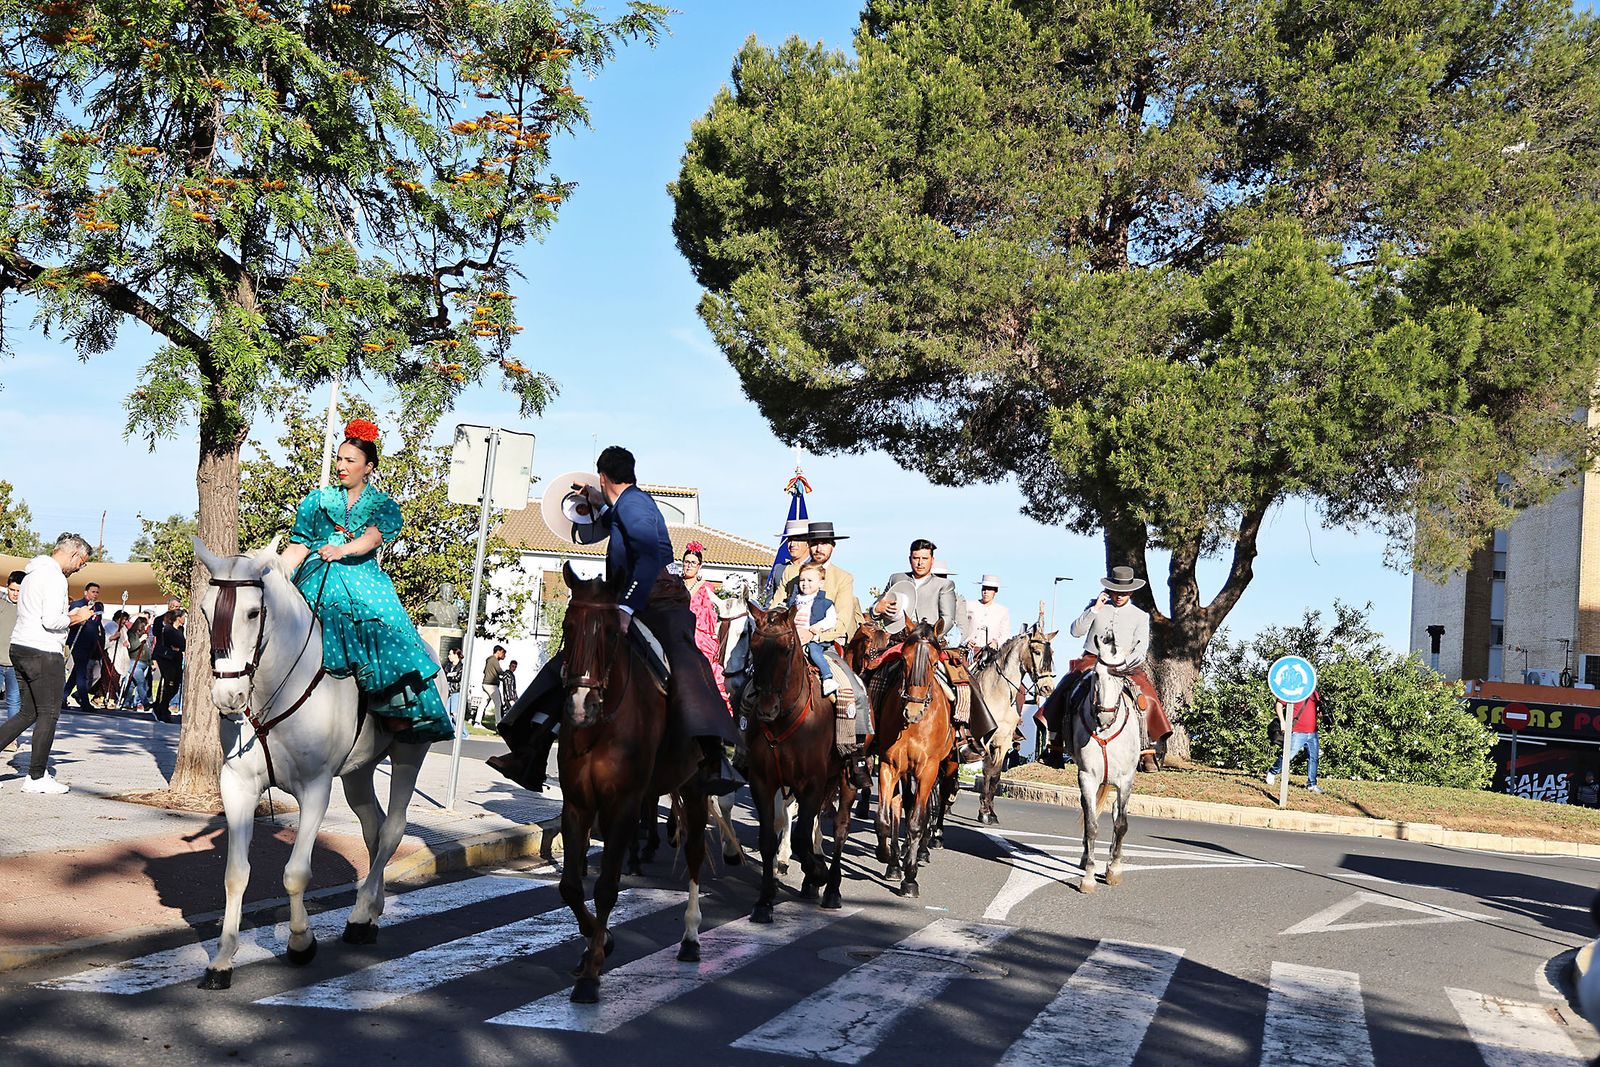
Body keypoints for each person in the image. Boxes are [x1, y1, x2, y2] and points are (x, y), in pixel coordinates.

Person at [491, 445, 740, 795]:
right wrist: (595, 498)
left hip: (658, 598)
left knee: (685, 660)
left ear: (603, 475)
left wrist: (626, 609)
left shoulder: (635, 505)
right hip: (626, 594)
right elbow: (607, 521)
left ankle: (712, 756)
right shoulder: (627, 503)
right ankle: (532, 744)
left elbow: (649, 559)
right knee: (574, 659)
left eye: (600, 482)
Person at [277, 418, 453, 744]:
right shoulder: (317, 501)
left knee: (388, 628)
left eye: (350, 461)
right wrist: (275, 573)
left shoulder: (382, 505)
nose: (341, 466)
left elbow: (372, 539)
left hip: (361, 577)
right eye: (339, 459)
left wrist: (341, 550)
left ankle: (393, 704)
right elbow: (300, 545)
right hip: (316, 574)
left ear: (368, 466)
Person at [1042, 565, 1172, 770]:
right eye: (1115, 590)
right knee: (1066, 688)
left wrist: (1124, 665)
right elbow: (1075, 631)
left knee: (1145, 693)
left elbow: (1141, 649)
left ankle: (1148, 749)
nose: (1119, 595)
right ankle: (1055, 747)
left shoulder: (1140, 616)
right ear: (1109, 589)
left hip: (1125, 664)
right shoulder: (1095, 606)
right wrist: (1095, 609)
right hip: (1091, 660)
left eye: (1124, 592)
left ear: (1131, 591)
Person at [0, 533, 97, 792]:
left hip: (20, 646)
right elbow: (51, 621)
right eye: (82, 562)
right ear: (74, 554)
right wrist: (78, 617)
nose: (79, 568)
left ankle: (36, 774)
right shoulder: (54, 578)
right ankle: (36, 777)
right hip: (43, 651)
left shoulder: (31, 574)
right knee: (49, 713)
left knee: (27, 712)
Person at [777, 522, 860, 646]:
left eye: (824, 543)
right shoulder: (791, 572)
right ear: (808, 545)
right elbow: (775, 607)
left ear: (833, 546)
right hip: (789, 637)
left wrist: (813, 634)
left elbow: (842, 621)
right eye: (814, 543)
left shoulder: (843, 578)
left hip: (828, 641)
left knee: (830, 664)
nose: (819, 549)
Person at [869, 538, 962, 642]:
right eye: (916, 558)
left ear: (932, 560)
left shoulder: (944, 585)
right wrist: (877, 609)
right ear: (910, 559)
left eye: (925, 558)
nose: (920, 563)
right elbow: (876, 608)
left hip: (927, 642)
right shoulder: (896, 579)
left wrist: (932, 637)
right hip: (897, 641)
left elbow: (948, 619)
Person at [681, 541, 732, 709]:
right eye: (686, 562)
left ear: (699, 566)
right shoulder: (675, 584)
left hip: (698, 632)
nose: (689, 566)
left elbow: (709, 615)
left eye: (693, 563)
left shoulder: (706, 587)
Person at [789, 562, 839, 697]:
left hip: (814, 638)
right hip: (794, 637)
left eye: (810, 580)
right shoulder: (794, 600)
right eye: (802, 580)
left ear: (821, 583)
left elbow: (831, 619)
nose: (805, 584)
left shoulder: (824, 603)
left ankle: (827, 677)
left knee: (814, 651)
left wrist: (818, 627)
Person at [1266, 688, 1321, 794]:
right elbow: (1279, 704)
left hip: (1313, 731)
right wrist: (1282, 721)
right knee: (1288, 755)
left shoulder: (1314, 692)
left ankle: (1312, 785)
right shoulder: (1293, 690)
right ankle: (1272, 772)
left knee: (1313, 758)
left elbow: (1316, 709)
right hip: (1297, 731)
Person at [63, 580, 104, 711]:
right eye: (93, 592)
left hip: (91, 643)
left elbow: (97, 625)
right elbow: (69, 619)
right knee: (82, 673)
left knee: (77, 672)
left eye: (97, 592)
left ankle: (63, 697)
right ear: (86, 592)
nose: (95, 594)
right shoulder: (78, 604)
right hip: (78, 642)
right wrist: (78, 618)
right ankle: (85, 702)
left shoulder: (98, 607)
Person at [151, 609, 186, 723]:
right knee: (168, 683)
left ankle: (163, 705)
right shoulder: (167, 628)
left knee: (176, 685)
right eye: (183, 617)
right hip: (167, 658)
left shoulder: (181, 629)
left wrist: (179, 648)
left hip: (176, 658)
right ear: (178, 618)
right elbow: (168, 642)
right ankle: (161, 708)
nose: (184, 619)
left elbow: (183, 645)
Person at [966, 575, 1012, 653]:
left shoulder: (1002, 611)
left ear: (995, 591)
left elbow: (1005, 634)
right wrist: (966, 641)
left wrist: (996, 643)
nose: (986, 592)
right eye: (984, 588)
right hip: (969, 652)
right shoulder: (969, 605)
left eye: (989, 589)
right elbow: (961, 627)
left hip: (990, 654)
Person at [0, 570, 22, 725]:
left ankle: (10, 738)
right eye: (12, 589)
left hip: (15, 664)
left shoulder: (28, 609)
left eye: (19, 591)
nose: (15, 594)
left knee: (14, 702)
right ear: (6, 587)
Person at [121, 613, 153, 714]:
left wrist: (150, 662)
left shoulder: (145, 635)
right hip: (135, 662)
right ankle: (145, 703)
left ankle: (127, 702)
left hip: (144, 662)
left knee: (132, 684)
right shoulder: (132, 634)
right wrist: (140, 640)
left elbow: (147, 649)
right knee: (141, 682)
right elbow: (131, 647)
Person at [478, 645, 507, 728]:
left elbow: (485, 671)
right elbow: (499, 671)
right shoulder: (494, 660)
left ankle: (477, 721)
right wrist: (506, 674)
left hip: (485, 683)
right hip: (492, 685)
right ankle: (498, 723)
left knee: (483, 703)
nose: (504, 655)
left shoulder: (489, 659)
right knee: (498, 704)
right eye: (503, 653)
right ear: (498, 652)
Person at [443, 646, 465, 725]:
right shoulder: (448, 666)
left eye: (450, 654)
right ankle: (452, 733)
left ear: (456, 655)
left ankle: (464, 733)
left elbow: (458, 678)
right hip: (448, 691)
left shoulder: (461, 667)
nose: (449, 656)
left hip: (456, 691)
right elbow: (444, 675)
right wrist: (450, 675)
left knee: (454, 714)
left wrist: (449, 675)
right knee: (447, 714)